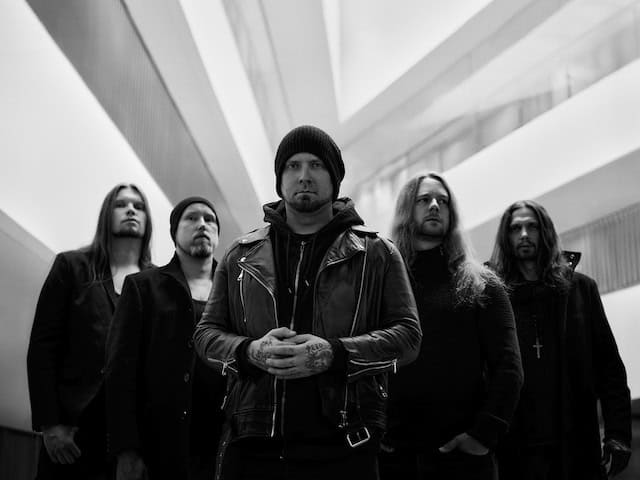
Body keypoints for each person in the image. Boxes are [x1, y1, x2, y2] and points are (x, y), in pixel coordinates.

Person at [193, 125, 421, 480]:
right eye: (293, 165)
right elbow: (206, 335)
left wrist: (334, 353)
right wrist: (250, 351)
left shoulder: (377, 254)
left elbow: (408, 337)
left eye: (316, 165)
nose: (304, 176)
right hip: (254, 442)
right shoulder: (240, 255)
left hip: (346, 443)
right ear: (280, 179)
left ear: (334, 178)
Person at [380, 173, 523, 480]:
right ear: (406, 209)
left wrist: (483, 436)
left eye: (443, 201)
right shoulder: (382, 282)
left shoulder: (483, 283)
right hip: (395, 458)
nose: (435, 206)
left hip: (462, 458)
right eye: (424, 199)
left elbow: (509, 367)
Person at [490, 200, 632, 480]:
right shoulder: (493, 296)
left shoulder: (580, 289)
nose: (524, 234)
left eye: (532, 226)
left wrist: (618, 435)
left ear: (545, 232)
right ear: (506, 237)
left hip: (575, 441)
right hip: (516, 446)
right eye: (515, 228)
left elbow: (609, 368)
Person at [27, 184, 153, 480]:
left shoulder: (157, 283)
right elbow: (43, 347)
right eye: (121, 204)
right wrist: (50, 424)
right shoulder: (72, 266)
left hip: (129, 441)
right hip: (71, 431)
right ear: (106, 214)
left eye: (138, 206)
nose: (131, 210)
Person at [105, 197, 226, 480]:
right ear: (174, 232)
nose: (202, 225)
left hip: (221, 444)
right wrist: (126, 450)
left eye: (209, 219)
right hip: (158, 446)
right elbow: (120, 371)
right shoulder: (143, 287)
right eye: (191, 218)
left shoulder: (236, 291)